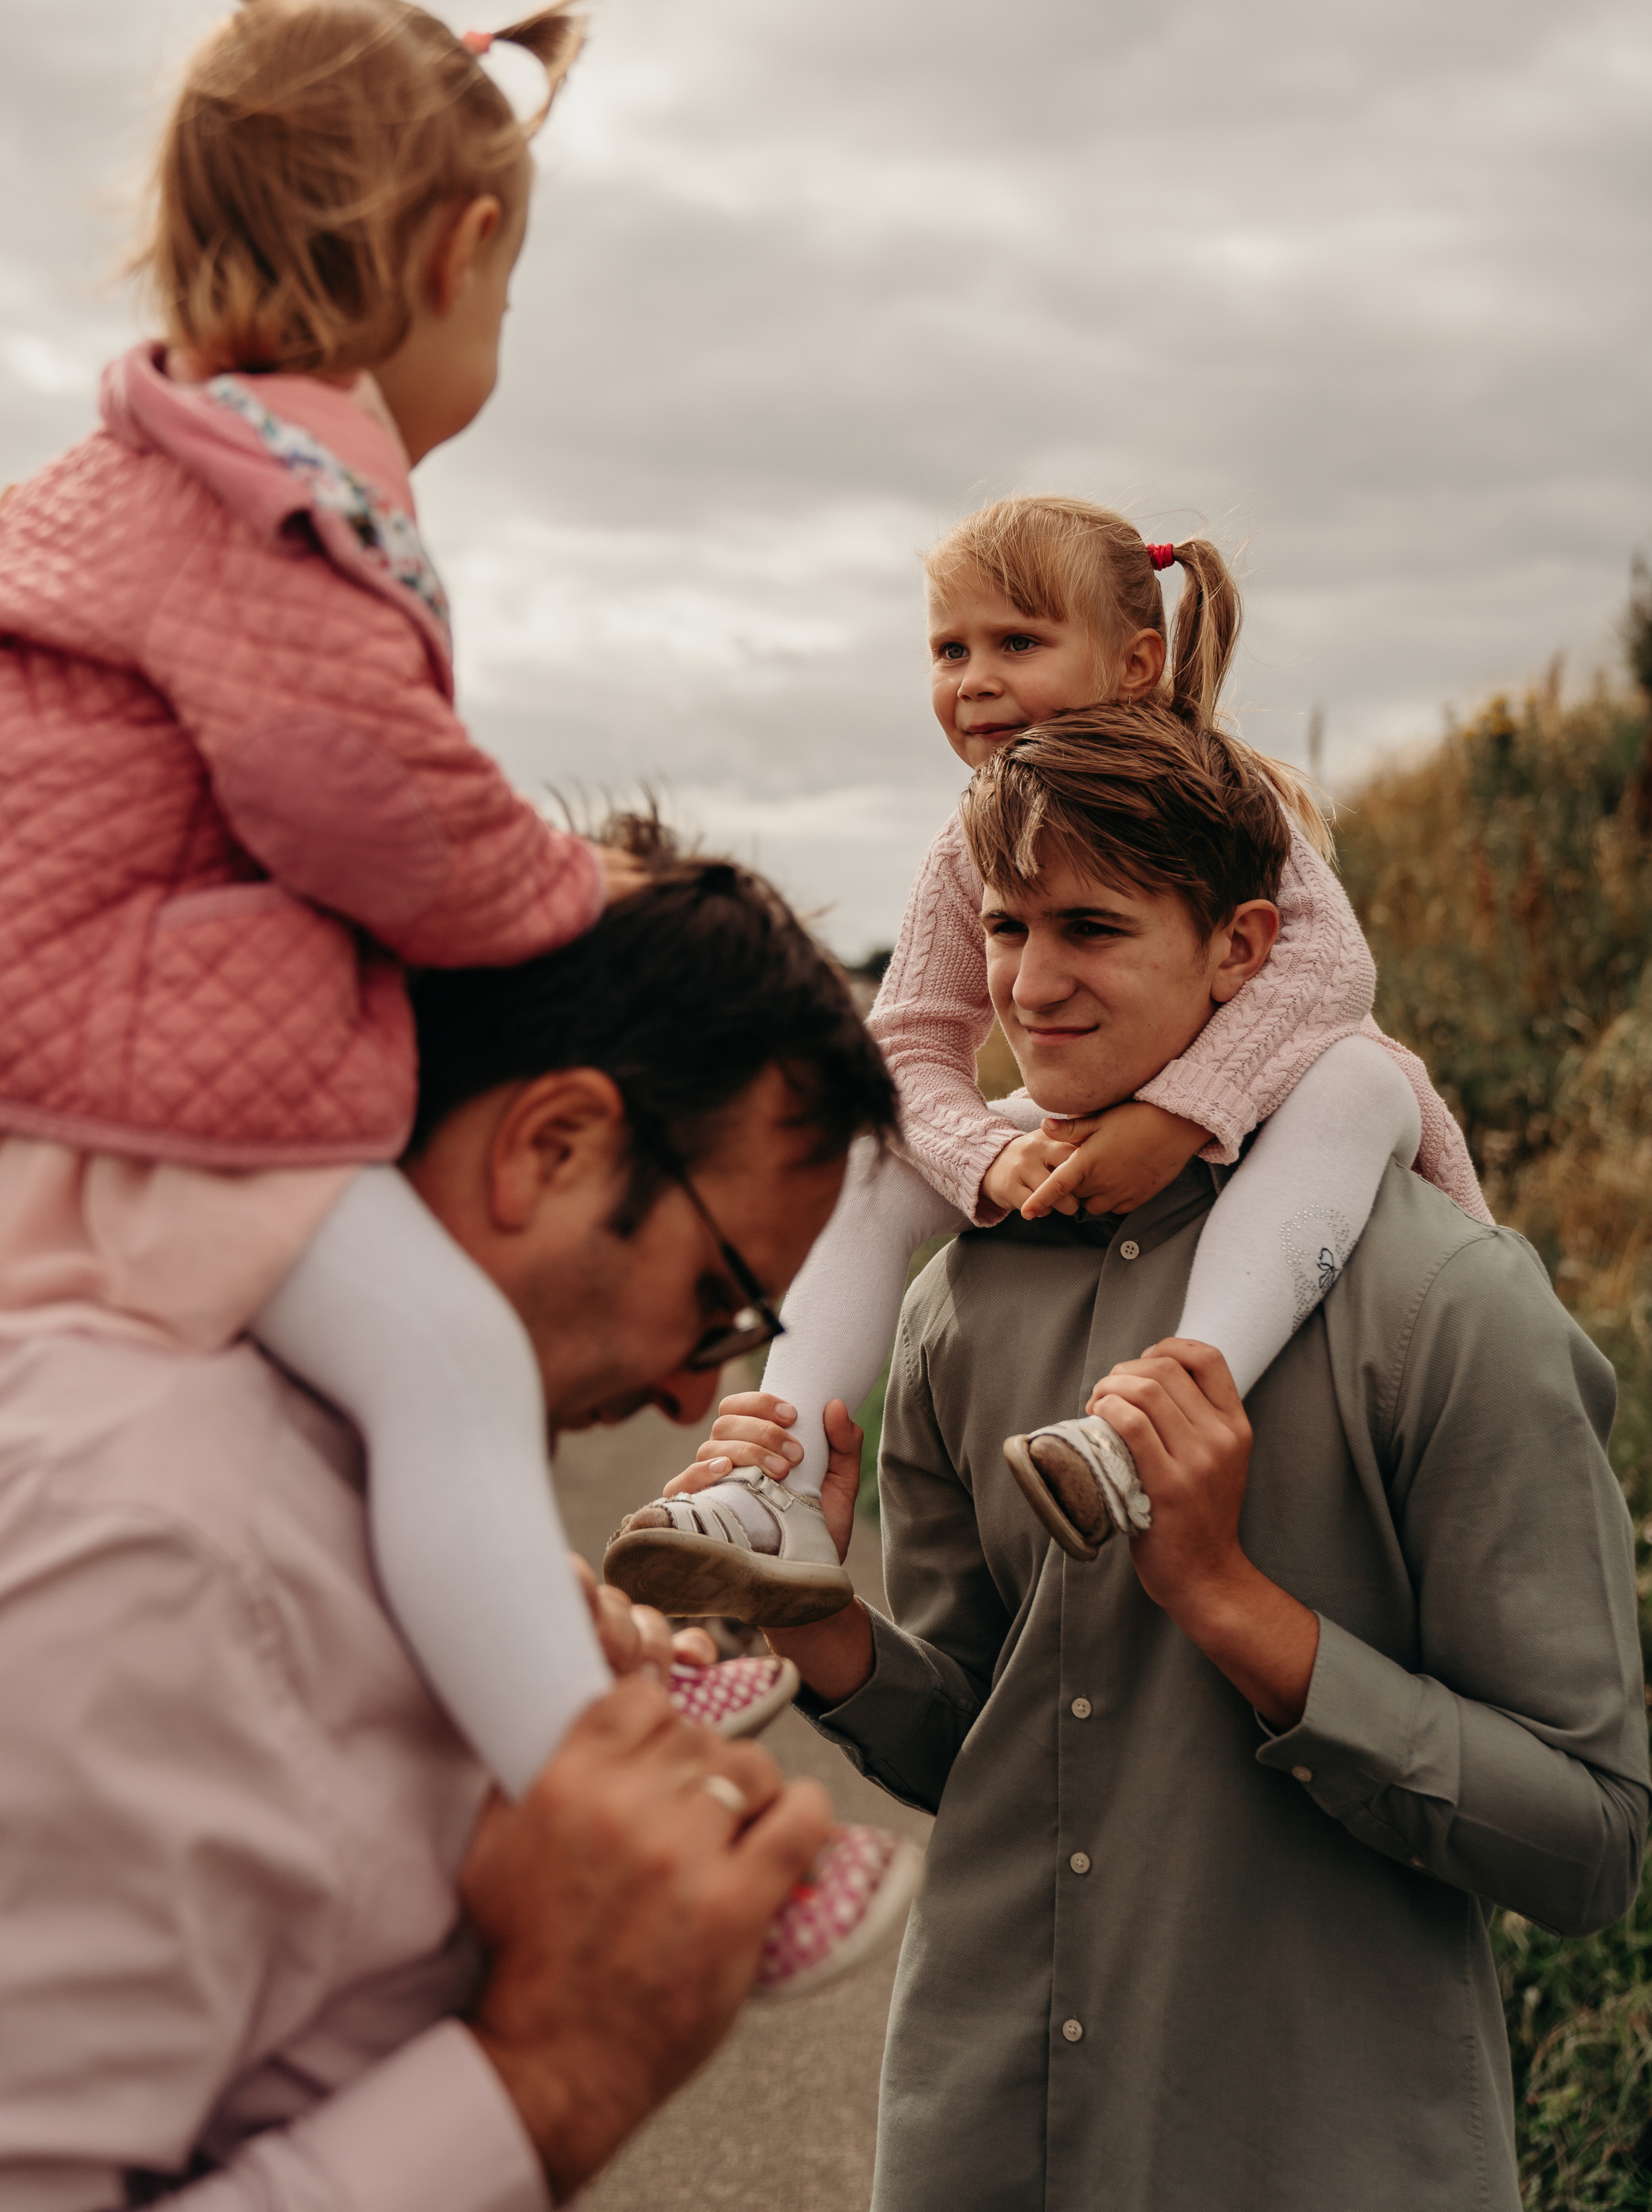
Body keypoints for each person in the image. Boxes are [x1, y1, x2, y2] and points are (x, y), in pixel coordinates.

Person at [0, 0, 907, 1979]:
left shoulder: (111, 478)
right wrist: (567, 897)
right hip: (120, 1068)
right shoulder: (287, 502)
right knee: (442, 1378)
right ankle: (610, 1791)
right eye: (508, 289)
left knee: (382, 1402)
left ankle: (566, 1661)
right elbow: (367, 798)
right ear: (447, 254)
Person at [0, 840, 914, 2208]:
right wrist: (546, 2080)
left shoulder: (357, 1511)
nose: (697, 1388)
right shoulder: (139, 1555)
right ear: (551, 1147)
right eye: (718, 1300)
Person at [679, 702, 1649, 2211]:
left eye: (1092, 927)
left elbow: (1590, 1847)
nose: (1029, 985)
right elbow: (984, 1748)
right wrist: (818, 1626)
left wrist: (1231, 1605)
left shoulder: (1446, 1305)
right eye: (1003, 927)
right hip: (977, 2148)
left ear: (1243, 947)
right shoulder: (958, 1298)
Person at [603, 495, 1488, 1622]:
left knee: (1358, 1076)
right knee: (875, 1158)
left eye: (1017, 643)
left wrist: (1177, 1114)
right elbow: (913, 1044)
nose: (973, 678)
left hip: (1294, 1105)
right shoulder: (963, 838)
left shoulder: (1216, 789)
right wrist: (983, 1155)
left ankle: (1139, 1432)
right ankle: (771, 1487)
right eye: (949, 648)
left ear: (1135, 664)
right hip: (1091, 1119)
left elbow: (1329, 976)